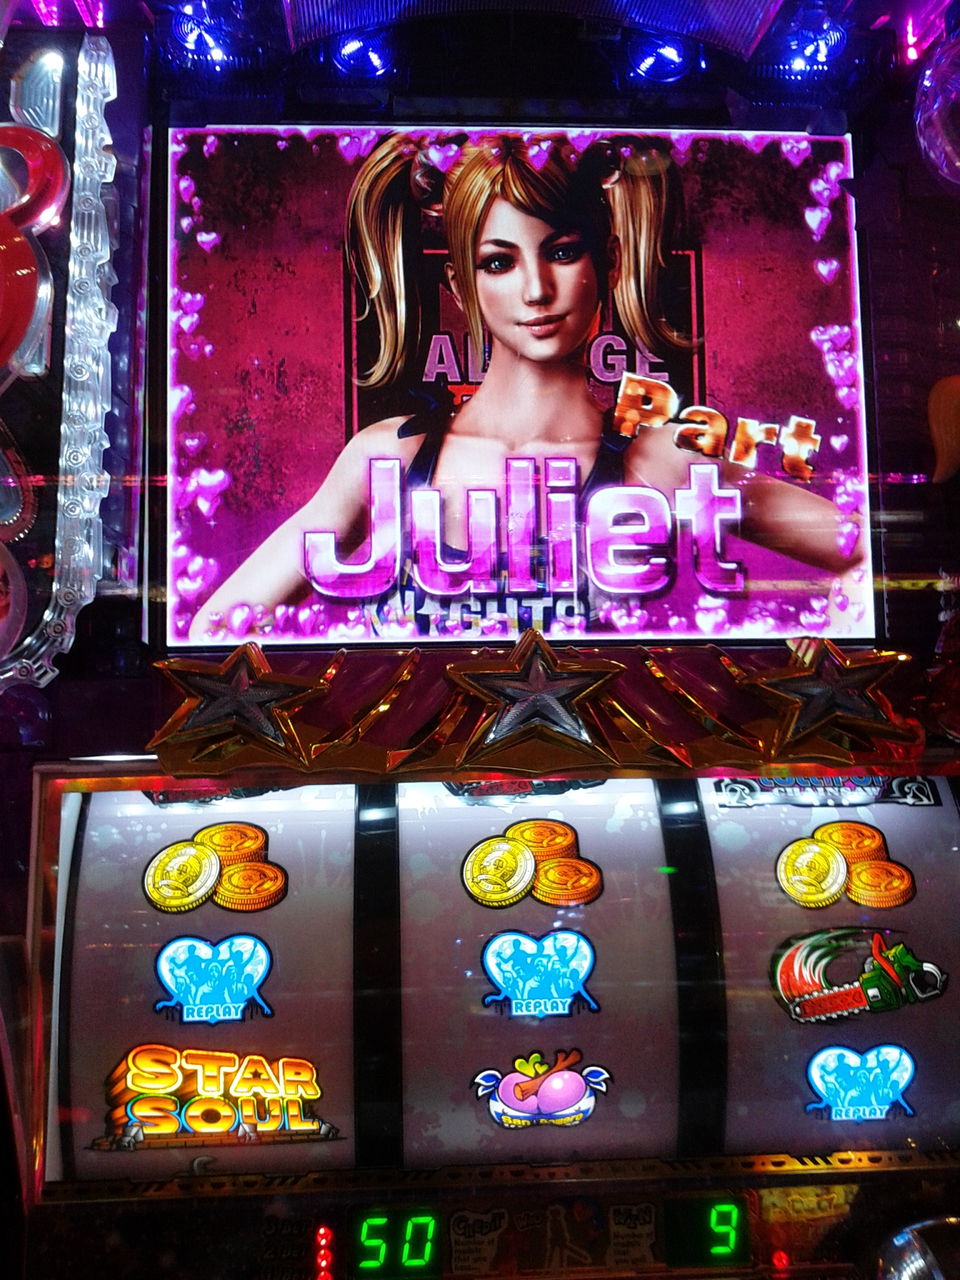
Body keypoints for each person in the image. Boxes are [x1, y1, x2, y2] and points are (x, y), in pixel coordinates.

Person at [189, 131, 862, 642]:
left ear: (608, 262)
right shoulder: (389, 456)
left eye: (562, 252)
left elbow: (869, 554)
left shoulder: (660, 457)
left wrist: (816, 665)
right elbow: (213, 629)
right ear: (460, 285)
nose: (537, 290)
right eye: (498, 263)